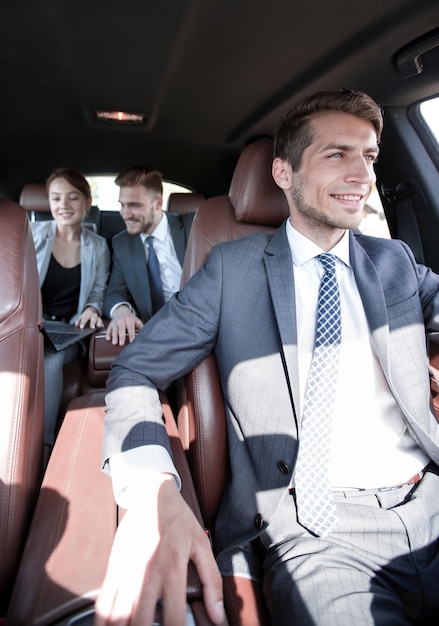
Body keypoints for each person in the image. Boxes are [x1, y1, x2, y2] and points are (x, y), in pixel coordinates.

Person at [96, 90, 439, 626]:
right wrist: (152, 493)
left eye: (368, 157)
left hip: (430, 496)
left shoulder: (393, 260)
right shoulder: (231, 270)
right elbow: (135, 368)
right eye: (336, 154)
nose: (361, 175)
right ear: (283, 173)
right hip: (318, 531)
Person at [32, 167, 110, 453]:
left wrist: (91, 308)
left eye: (72, 198)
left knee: (52, 361)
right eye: (56, 198)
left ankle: (44, 447)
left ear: (87, 202)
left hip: (70, 330)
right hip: (33, 325)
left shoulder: (99, 246)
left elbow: (98, 292)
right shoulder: (32, 236)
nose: (63, 205)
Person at [103, 165, 195, 346]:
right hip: (154, 333)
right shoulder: (122, 243)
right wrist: (121, 311)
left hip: (198, 323)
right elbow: (114, 291)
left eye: (134, 205)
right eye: (122, 205)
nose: (125, 214)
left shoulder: (193, 226)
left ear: (158, 203)